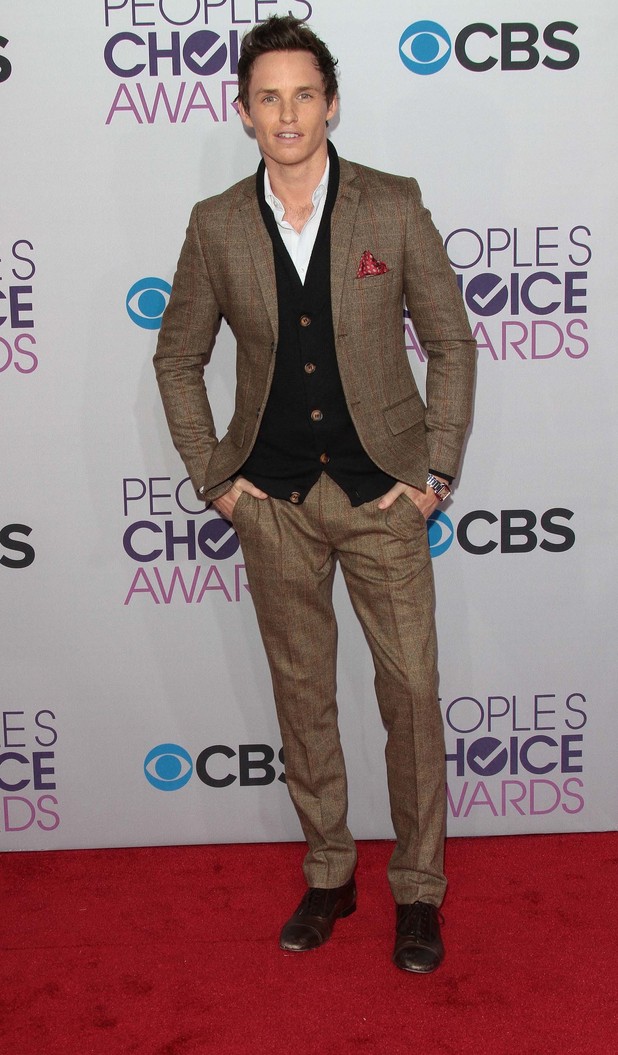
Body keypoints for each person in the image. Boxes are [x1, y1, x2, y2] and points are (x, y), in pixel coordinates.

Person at [154, 14, 476, 974]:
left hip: (386, 500)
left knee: (411, 695)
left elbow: (451, 342)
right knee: (303, 696)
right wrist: (219, 481)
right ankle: (329, 872)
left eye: (304, 94)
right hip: (275, 505)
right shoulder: (216, 223)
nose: (287, 113)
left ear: (331, 105)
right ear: (244, 111)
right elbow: (177, 358)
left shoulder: (391, 205)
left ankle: (418, 890)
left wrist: (435, 474)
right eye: (269, 97)